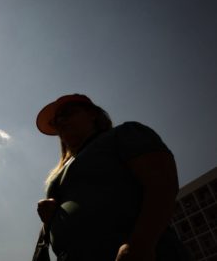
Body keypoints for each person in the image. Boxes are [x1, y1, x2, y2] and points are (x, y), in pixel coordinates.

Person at [34, 94, 190, 261]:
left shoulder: (122, 134)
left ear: (93, 114)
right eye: (56, 121)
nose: (61, 122)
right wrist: (49, 220)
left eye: (68, 113)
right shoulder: (58, 173)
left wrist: (140, 244)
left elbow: (162, 183)